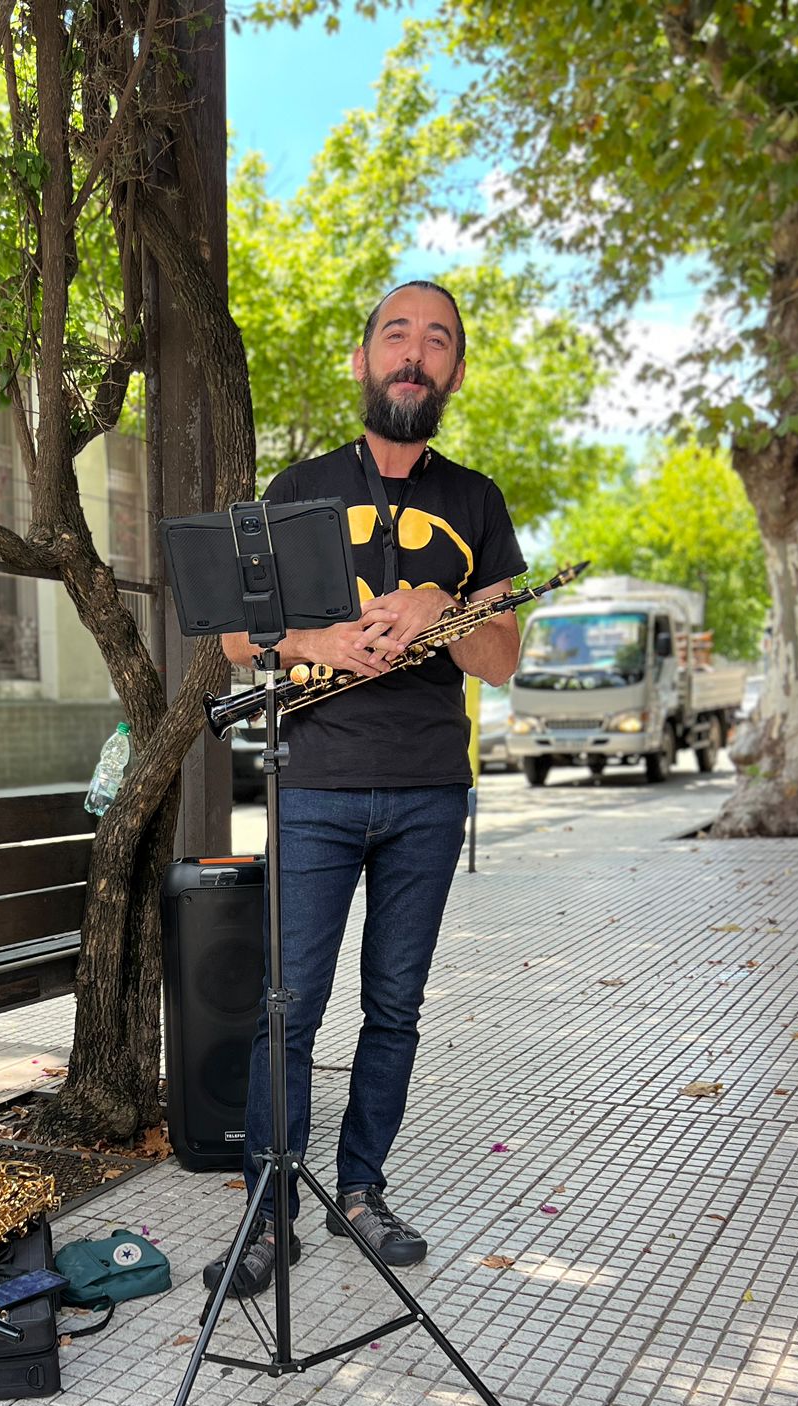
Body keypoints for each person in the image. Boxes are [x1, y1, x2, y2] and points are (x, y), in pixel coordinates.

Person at [204, 280, 525, 1298]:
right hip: (316, 781)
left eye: (438, 341)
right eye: (397, 333)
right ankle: (268, 1212)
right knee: (285, 1006)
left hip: (430, 788)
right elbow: (227, 630)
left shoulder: (478, 502)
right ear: (362, 358)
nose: (415, 353)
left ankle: (362, 1188)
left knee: (396, 1005)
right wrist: (317, 637)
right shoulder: (299, 485)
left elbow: (504, 655)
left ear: (454, 373)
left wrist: (440, 605)